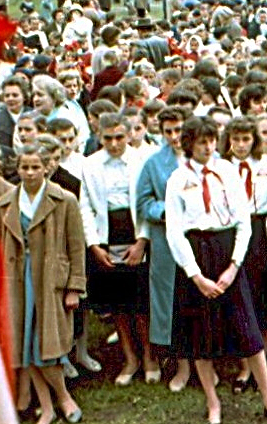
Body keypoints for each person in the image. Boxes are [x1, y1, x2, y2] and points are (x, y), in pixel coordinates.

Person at [163, 117, 267, 424]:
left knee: (249, 332)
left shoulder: (228, 172)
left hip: (227, 253)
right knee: (200, 339)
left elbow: (244, 222)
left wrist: (233, 267)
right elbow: (174, 232)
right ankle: (213, 403)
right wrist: (195, 276)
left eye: (211, 141)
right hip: (196, 257)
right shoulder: (177, 179)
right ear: (189, 144)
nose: (208, 147)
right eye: (201, 142)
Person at [0, 144, 85, 424]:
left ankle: (63, 398)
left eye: (35, 167)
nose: (30, 172)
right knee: (24, 344)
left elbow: (76, 246)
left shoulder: (65, 200)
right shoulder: (3, 204)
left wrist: (74, 286)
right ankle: (47, 406)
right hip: (16, 280)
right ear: (17, 169)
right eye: (24, 167)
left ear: (46, 168)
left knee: (46, 344)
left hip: (49, 280)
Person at [78, 113, 155, 385]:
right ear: (99, 136)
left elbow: (148, 201)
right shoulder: (90, 164)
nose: (114, 144)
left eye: (119, 137)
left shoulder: (142, 160)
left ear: (129, 135)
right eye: (108, 138)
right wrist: (94, 245)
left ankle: (149, 357)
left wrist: (142, 241)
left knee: (141, 301)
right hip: (107, 234)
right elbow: (85, 206)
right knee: (117, 302)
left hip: (135, 231)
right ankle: (130, 358)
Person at [221, 116, 267, 393]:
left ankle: (263, 357)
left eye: (246, 139)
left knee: (262, 295)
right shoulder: (222, 167)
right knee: (239, 297)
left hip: (259, 231)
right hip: (234, 232)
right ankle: (245, 366)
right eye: (236, 139)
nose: (241, 144)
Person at [135, 106, 195, 392]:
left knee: (200, 296)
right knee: (174, 300)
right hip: (167, 239)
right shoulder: (154, 163)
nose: (174, 136)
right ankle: (182, 365)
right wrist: (167, 211)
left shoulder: (207, 156)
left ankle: (207, 362)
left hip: (201, 237)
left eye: (179, 130)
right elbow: (143, 202)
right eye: (168, 131)